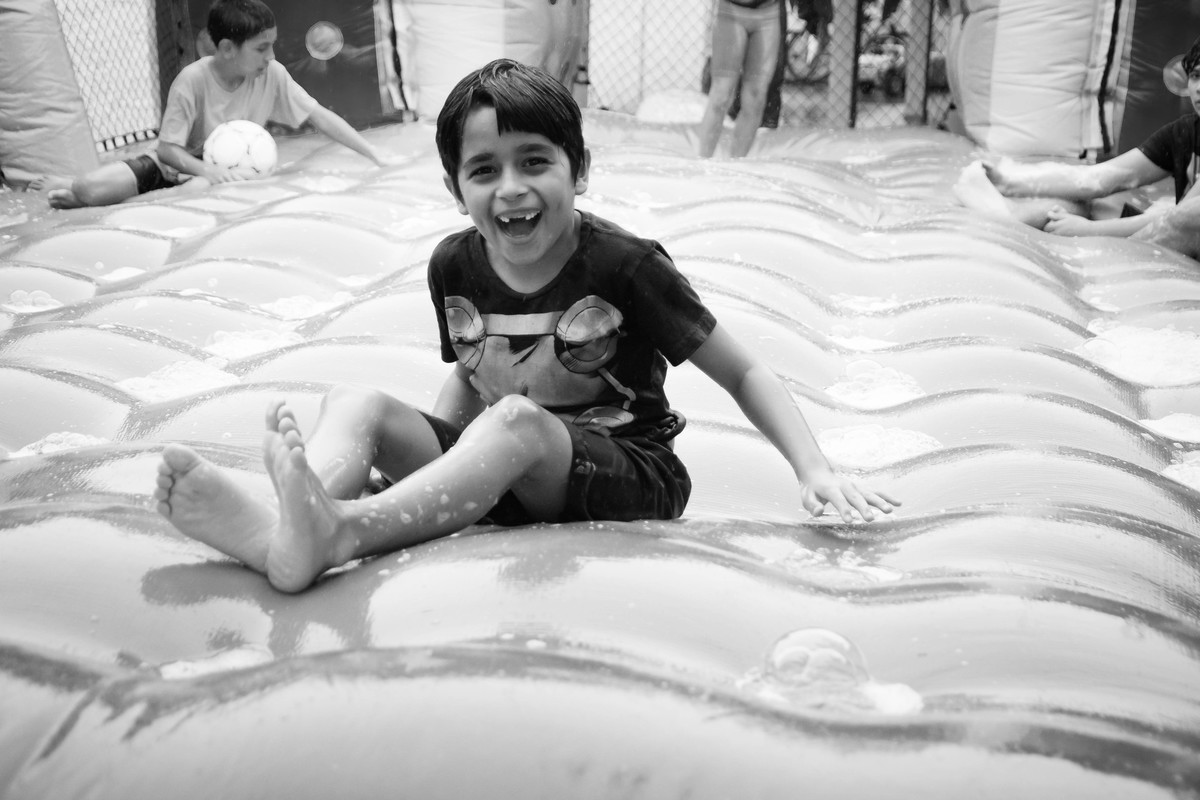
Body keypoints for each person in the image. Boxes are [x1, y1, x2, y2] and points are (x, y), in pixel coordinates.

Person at [154, 58, 900, 593]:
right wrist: (429, 466)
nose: (510, 189)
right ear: (455, 190)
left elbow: (743, 371)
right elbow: (468, 374)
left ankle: (346, 528)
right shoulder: (454, 265)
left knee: (516, 422)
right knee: (358, 402)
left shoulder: (626, 266)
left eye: (534, 162)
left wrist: (815, 468)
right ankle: (294, 525)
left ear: (578, 170)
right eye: (484, 171)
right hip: (501, 467)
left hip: (625, 473)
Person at [32, 0, 394, 210]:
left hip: (207, 178)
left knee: (199, 192)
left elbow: (322, 117)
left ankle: (138, 200)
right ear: (226, 49)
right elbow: (168, 150)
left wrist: (376, 156)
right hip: (173, 169)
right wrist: (208, 172)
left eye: (272, 45)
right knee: (85, 191)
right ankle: (88, 188)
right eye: (261, 48)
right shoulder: (193, 79)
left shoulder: (273, 74)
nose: (271, 56)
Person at [954, 35, 1200, 239]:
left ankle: (1006, 220)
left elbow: (1183, 218)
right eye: (1196, 76)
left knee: (1181, 216)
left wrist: (1089, 231)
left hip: (1186, 239)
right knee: (1085, 204)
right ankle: (1006, 217)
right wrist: (1009, 180)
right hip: (1176, 228)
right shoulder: (1185, 132)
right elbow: (1097, 179)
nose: (1199, 87)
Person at [698, 0, 783, 158]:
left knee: (756, 96)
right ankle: (703, 160)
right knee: (721, 95)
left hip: (768, 12)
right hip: (731, 11)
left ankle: (736, 162)